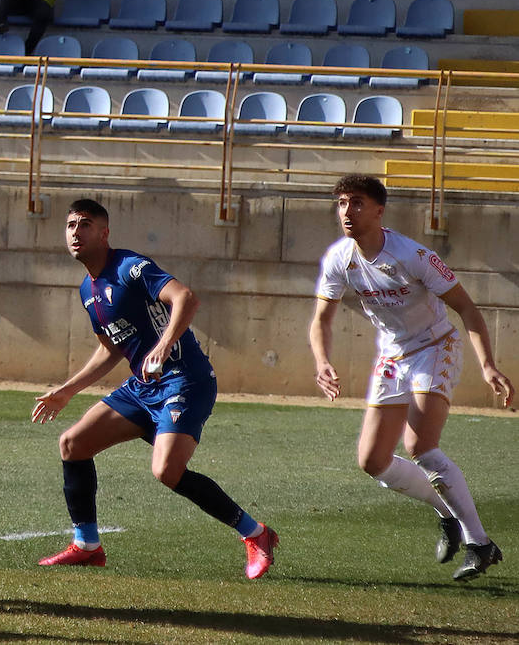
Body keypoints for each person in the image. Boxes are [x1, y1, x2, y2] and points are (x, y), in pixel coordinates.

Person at [32, 198, 279, 579]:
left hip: (185, 379)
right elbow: (110, 348)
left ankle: (256, 534)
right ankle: (87, 545)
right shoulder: (88, 290)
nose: (75, 232)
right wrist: (67, 390)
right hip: (142, 387)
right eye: (70, 225)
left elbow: (186, 297)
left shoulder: (130, 267)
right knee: (72, 444)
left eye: (84, 224)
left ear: (104, 232)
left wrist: (163, 345)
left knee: (167, 471)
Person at [308, 174, 513, 581]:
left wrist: (488, 364)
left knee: (420, 445)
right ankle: (446, 512)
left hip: (436, 346)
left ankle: (480, 543)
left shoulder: (412, 254)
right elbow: (321, 320)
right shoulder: (338, 258)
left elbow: (468, 309)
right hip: (392, 355)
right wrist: (321, 361)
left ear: (380, 211)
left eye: (358, 203)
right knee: (373, 461)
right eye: (342, 203)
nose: (348, 212)